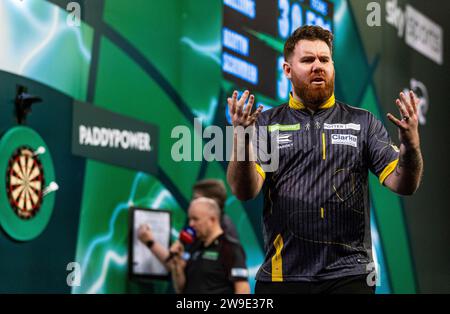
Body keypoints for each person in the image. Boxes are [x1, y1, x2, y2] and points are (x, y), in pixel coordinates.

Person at [226, 25, 423, 294]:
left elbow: (404, 184)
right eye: (308, 60)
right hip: (282, 277)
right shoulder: (264, 124)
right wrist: (241, 138)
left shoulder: (363, 122)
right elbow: (244, 190)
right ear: (287, 70)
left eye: (324, 60)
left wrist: (411, 146)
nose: (318, 66)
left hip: (349, 274)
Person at [138, 197, 250, 294]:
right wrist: (177, 266)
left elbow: (243, 290)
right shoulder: (192, 246)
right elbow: (180, 289)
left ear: (212, 219)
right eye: (190, 219)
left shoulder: (230, 247)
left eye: (195, 219)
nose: (191, 224)